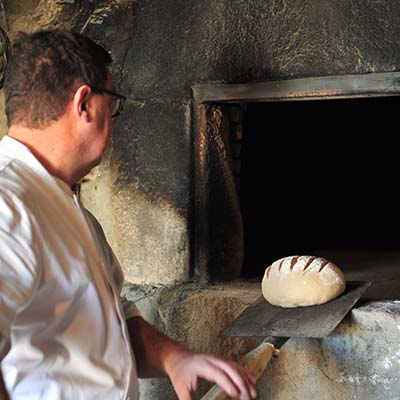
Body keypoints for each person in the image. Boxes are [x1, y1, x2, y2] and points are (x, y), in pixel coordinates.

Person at [0, 30, 257, 400]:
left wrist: (175, 359)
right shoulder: (10, 204)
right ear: (84, 104)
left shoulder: (68, 207)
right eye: (113, 103)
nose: (114, 120)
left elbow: (112, 324)